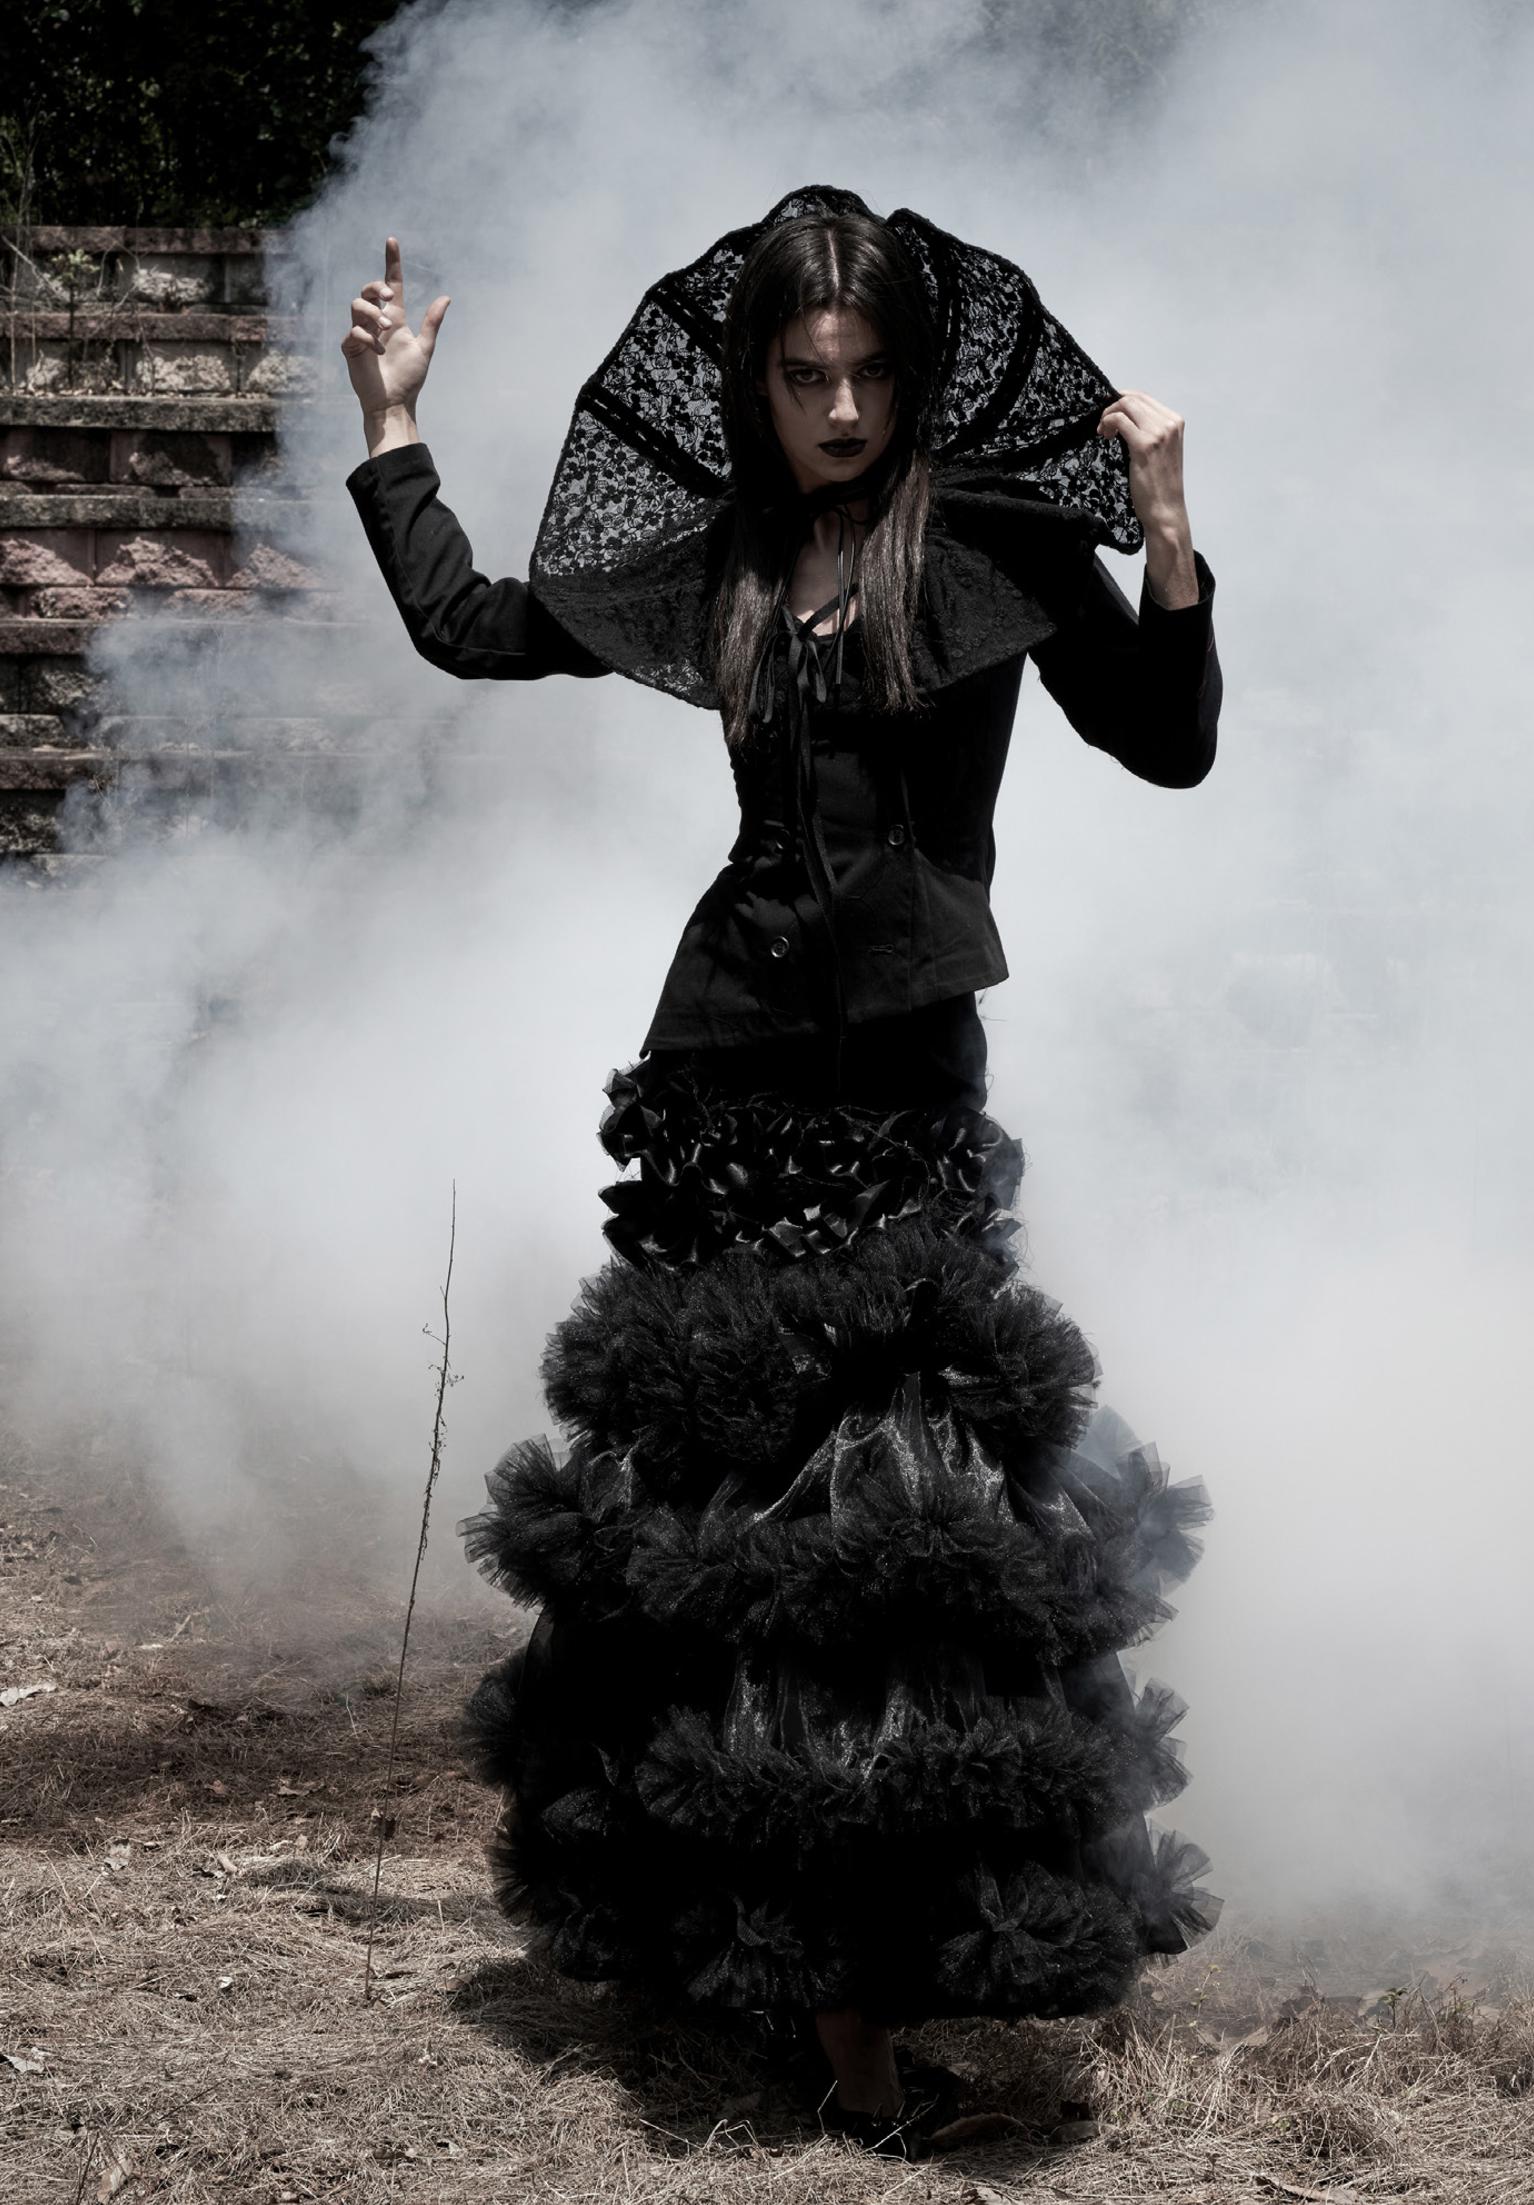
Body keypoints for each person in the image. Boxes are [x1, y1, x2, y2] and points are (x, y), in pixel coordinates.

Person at [341, 186, 1222, 2160]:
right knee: (726, 1525)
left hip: (901, 1094)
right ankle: (785, 1972)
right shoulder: (727, 554)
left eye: (870, 374)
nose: (838, 408)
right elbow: (477, 629)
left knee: (893, 1532)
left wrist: (1163, 528)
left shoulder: (994, 545)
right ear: (753, 379)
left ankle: (865, 1966)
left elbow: (1165, 744)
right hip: (724, 1083)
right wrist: (391, 426)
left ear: (915, 378)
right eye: (806, 373)